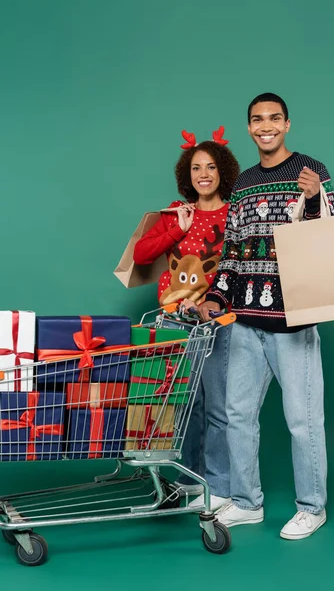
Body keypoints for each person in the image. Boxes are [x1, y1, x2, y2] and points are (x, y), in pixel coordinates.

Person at [198, 93, 334, 539]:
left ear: (287, 124)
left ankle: (311, 507)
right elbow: (233, 250)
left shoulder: (310, 170)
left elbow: (329, 236)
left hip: (293, 320)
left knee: (302, 420)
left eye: (274, 118)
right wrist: (217, 298)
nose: (266, 126)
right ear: (249, 128)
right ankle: (246, 502)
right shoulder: (241, 184)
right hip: (244, 321)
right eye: (257, 120)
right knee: (238, 415)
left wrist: (314, 200)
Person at [134, 127, 240, 510]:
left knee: (218, 405)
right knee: (184, 402)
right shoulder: (177, 213)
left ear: (222, 171)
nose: (204, 174)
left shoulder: (235, 214)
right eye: (196, 168)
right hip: (175, 321)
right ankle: (189, 479)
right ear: (187, 174)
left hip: (216, 324)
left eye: (211, 167)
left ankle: (219, 484)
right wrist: (175, 230)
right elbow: (141, 256)